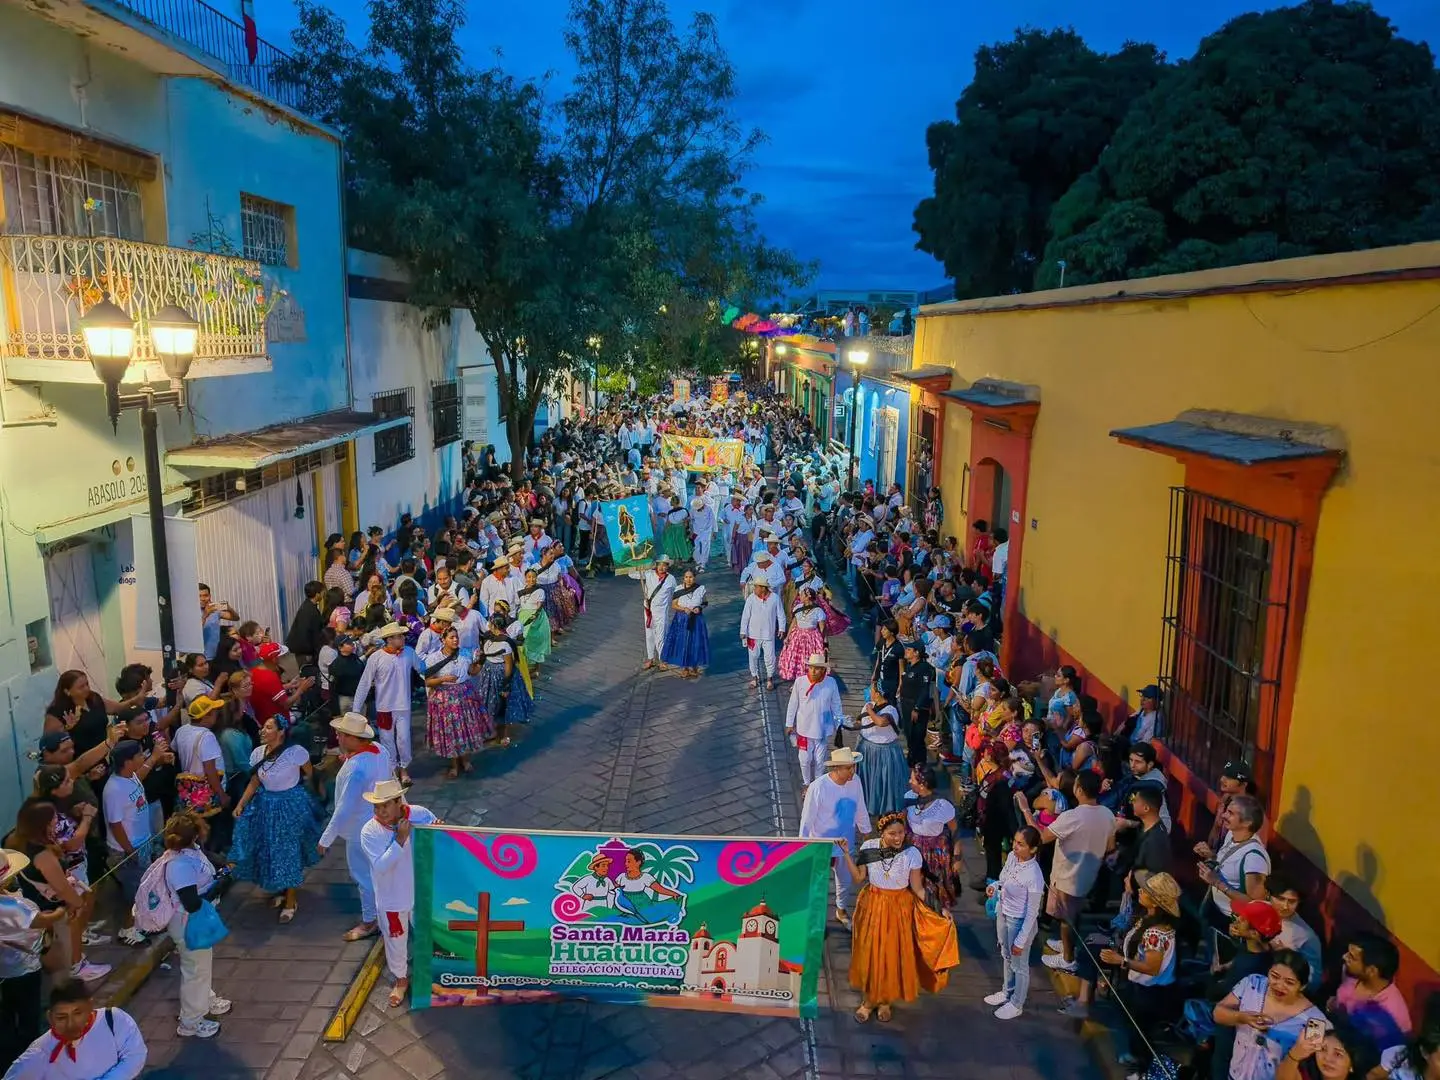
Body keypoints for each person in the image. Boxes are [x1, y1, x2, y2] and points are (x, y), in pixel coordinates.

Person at [836, 812, 958, 1024]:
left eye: (901, 832)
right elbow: (858, 878)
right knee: (871, 953)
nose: (898, 837)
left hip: (900, 908)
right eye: (892, 833)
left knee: (891, 955)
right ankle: (868, 1001)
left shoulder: (911, 854)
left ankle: (885, 1001)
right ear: (881, 832)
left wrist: (939, 909)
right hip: (873, 905)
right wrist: (846, 853)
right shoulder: (869, 848)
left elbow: (918, 889)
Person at [1018, 769, 1115, 973]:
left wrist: (1026, 809)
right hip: (1089, 873)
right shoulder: (1108, 814)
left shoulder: (1072, 816)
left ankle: (1068, 959)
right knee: (1074, 913)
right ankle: (1067, 946)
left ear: (1079, 789)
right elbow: (1109, 846)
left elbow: (1040, 838)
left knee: (1065, 919)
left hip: (1068, 875)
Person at [230, 716, 322, 924]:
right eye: (263, 726)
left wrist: (313, 798)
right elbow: (254, 783)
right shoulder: (257, 754)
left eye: (268, 727)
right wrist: (241, 804)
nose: (263, 730)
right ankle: (281, 889)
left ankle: (291, 900)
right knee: (271, 850)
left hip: (291, 807)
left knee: (288, 853)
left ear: (281, 732)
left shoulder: (295, 753)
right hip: (266, 807)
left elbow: (310, 774)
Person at [360, 779, 438, 1010]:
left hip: (421, 892)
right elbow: (381, 867)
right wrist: (401, 840)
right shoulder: (369, 832)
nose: (380, 811)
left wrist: (438, 829)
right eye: (376, 806)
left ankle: (428, 973)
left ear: (398, 802)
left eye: (385, 805)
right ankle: (401, 979)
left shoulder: (420, 815)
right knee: (395, 941)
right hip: (391, 899)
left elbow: (439, 837)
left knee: (427, 934)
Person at [156, 811, 232, 1038]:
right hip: (188, 921)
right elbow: (191, 902)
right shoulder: (179, 865)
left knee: (200, 965)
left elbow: (207, 860)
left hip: (194, 920)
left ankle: (205, 1000)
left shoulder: (189, 852)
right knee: (194, 971)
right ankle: (190, 1022)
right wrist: (218, 886)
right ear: (195, 835)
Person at [318, 713, 393, 942]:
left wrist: (326, 839)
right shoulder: (379, 750)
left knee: (363, 876)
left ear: (352, 738)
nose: (337, 736)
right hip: (384, 822)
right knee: (382, 872)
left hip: (362, 830)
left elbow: (343, 808)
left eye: (341, 734)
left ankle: (370, 922)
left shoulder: (356, 768)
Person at [0, 848, 69, 1069]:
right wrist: (62, 909)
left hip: (3, 972)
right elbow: (43, 921)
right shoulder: (14, 906)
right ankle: (31, 1060)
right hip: (24, 969)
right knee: (29, 1014)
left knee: (7, 1016)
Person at [1213, 949, 1326, 1080]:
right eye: (1274, 976)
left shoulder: (1315, 1021)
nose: (1279, 985)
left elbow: (1312, 1070)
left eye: (1289, 982)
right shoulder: (1252, 983)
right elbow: (1218, 1013)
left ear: (1302, 986)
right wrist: (1242, 1017)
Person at [3, 981, 146, 1080]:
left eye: (78, 1014)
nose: (71, 1024)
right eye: (62, 1017)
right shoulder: (39, 1053)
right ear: (50, 1017)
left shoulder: (113, 1020)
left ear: (90, 1006)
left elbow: (136, 1055)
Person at [798, 748, 872, 930]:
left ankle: (841, 910)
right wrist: (803, 847)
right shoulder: (818, 787)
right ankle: (816, 921)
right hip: (821, 844)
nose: (852, 772)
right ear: (837, 768)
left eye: (853, 767)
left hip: (845, 843)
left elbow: (860, 807)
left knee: (845, 881)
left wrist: (866, 832)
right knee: (818, 886)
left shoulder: (855, 782)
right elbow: (807, 820)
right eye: (849, 768)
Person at [352, 623, 426, 784]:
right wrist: (356, 709)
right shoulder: (376, 658)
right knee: (387, 741)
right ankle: (392, 770)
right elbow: (365, 683)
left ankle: (404, 768)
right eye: (399, 636)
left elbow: (422, 668)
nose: (403, 638)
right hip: (384, 707)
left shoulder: (409, 653)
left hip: (403, 706)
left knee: (404, 739)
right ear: (390, 639)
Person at [985, 825, 1046, 1020]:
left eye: (1020, 844)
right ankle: (1006, 991)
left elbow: (1032, 912)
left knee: (1020, 964)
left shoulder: (1034, 876)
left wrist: (1021, 939)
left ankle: (1017, 1003)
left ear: (1033, 849)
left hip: (1018, 921)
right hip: (1003, 913)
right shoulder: (1012, 858)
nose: (1014, 847)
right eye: (1014, 842)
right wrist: (995, 886)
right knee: (1006, 955)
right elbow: (1003, 879)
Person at [420, 625, 490, 779]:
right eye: (451, 637)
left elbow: (472, 672)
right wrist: (443, 679)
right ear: (443, 640)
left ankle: (465, 760)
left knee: (466, 730)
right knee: (451, 733)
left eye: (456, 637)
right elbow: (428, 682)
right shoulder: (434, 658)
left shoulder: (465, 653)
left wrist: (480, 662)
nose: (455, 640)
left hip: (465, 696)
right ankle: (454, 765)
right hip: (445, 701)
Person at [1331, 935, 1412, 1055]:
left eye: (1352, 957)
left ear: (1372, 971)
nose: (1344, 957)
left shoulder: (1394, 1013)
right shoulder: (1351, 973)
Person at [905, 766, 961, 912]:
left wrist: (957, 857)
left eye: (912, 779)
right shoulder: (909, 797)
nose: (909, 781)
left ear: (922, 785)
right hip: (913, 850)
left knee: (933, 889)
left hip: (935, 855)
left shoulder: (943, 805)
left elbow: (954, 829)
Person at [785, 655, 843, 786]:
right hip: (804, 730)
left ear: (823, 670)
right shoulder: (800, 682)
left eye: (817, 669)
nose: (813, 671)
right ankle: (806, 783)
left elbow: (836, 704)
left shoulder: (831, 683)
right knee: (804, 759)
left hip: (822, 730)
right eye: (811, 668)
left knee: (820, 760)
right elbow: (793, 703)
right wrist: (789, 723)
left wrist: (839, 723)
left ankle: (817, 785)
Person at [852, 687, 908, 817]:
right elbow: (860, 723)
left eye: (871, 690)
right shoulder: (868, 705)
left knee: (882, 780)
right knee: (867, 779)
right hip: (866, 748)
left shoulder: (890, 710)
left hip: (884, 752)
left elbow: (881, 722)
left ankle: (884, 807)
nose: (868, 692)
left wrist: (870, 711)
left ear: (878, 693)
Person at [660, 570, 709, 679]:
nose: (688, 579)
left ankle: (694, 666)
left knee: (695, 642)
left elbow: (705, 603)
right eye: (686, 577)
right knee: (683, 642)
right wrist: (684, 609)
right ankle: (685, 667)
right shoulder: (679, 589)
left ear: (694, 578)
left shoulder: (700, 589)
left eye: (690, 577)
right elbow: (674, 605)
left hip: (697, 619)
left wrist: (699, 608)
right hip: (682, 619)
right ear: (683, 578)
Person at [740, 579, 786, 691]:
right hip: (752, 634)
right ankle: (754, 677)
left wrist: (781, 628)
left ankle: (770, 679)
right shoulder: (751, 599)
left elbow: (780, 614)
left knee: (770, 658)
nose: (754, 589)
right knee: (753, 656)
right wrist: (743, 631)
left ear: (763, 588)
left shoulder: (774, 598)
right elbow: (745, 615)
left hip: (768, 634)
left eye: (756, 587)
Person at [640, 555, 678, 670]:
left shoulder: (671, 579)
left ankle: (663, 659)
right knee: (649, 634)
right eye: (659, 564)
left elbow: (674, 594)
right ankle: (650, 658)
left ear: (667, 566)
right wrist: (637, 563)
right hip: (648, 609)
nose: (662, 567)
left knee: (661, 636)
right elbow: (632, 574)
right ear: (656, 565)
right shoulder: (648, 574)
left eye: (664, 565)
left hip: (661, 612)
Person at [285, 581, 326, 667]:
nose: (324, 593)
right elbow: (314, 634)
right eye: (322, 591)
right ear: (317, 594)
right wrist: (316, 652)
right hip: (305, 652)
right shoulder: (311, 611)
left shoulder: (307, 606)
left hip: (302, 650)